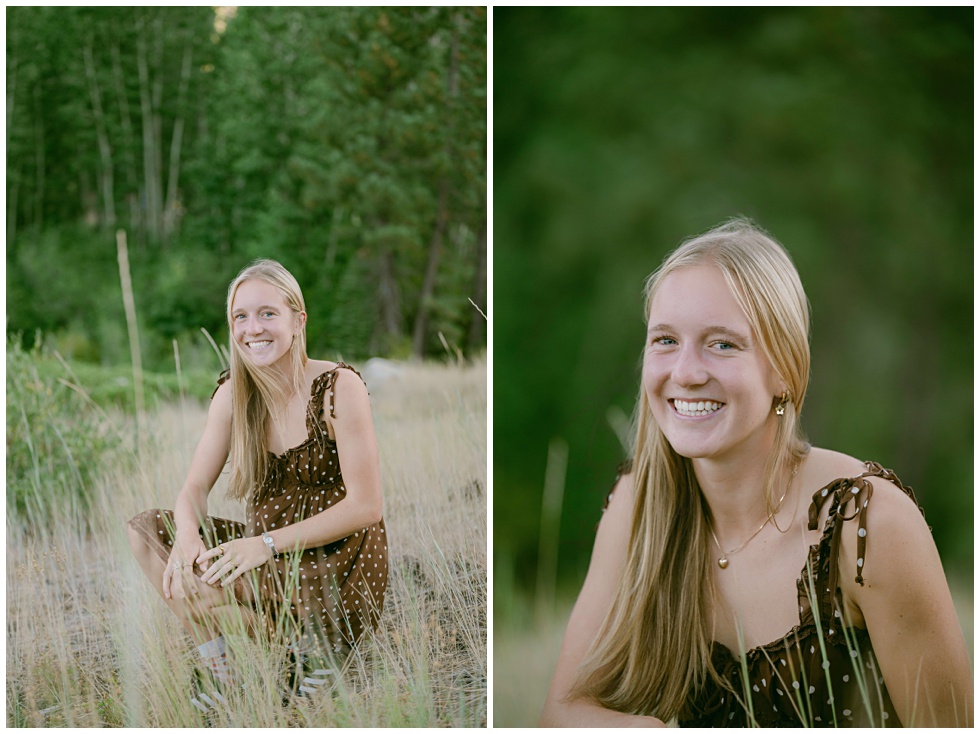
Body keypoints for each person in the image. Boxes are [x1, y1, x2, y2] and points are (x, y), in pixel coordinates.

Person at [540, 219, 972, 726]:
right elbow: (563, 712)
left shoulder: (867, 526)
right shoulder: (640, 503)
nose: (685, 372)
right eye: (665, 340)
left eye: (722, 344)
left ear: (784, 371)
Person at [127, 259, 387, 710]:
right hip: (266, 562)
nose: (253, 329)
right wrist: (188, 539)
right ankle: (227, 676)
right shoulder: (234, 395)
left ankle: (317, 652)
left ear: (298, 320)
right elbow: (192, 490)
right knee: (147, 535)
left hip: (335, 564)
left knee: (205, 589)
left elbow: (367, 506)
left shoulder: (338, 388)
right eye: (240, 317)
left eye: (268, 313)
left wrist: (263, 544)